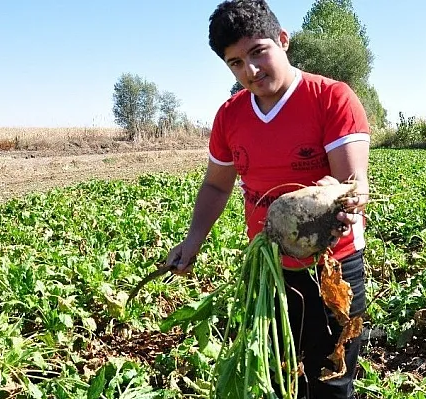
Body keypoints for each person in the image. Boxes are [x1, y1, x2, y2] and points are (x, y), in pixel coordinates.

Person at [165, 0, 371, 397]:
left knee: (331, 380)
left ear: (283, 40)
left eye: (258, 52)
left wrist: (341, 198)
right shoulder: (230, 116)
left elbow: (353, 182)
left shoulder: (331, 98)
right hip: (269, 271)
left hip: (332, 267)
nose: (251, 70)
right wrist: (191, 242)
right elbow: (216, 185)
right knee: (277, 378)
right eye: (236, 63)